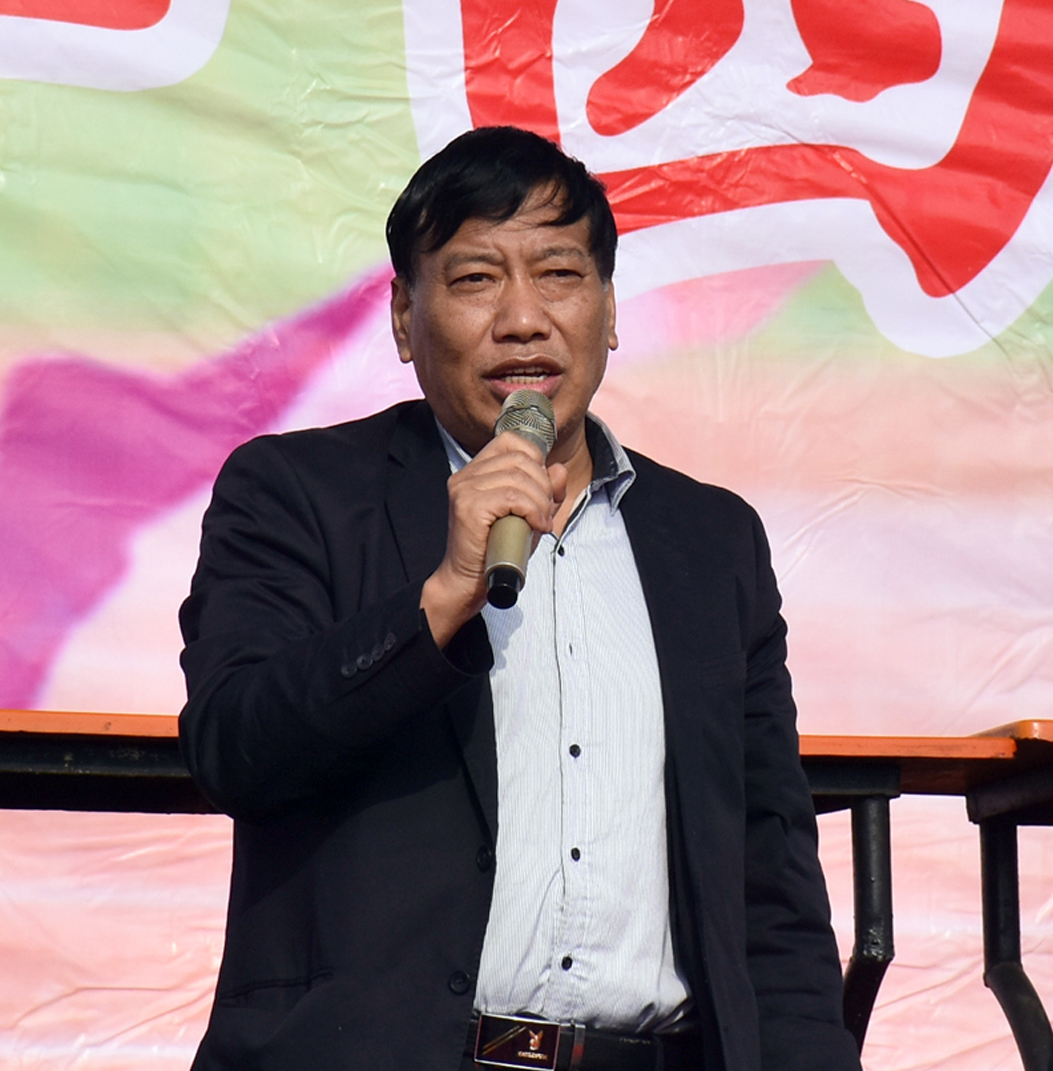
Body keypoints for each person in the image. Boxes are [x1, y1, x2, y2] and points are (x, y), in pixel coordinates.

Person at [178, 125, 861, 1071]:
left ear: (609, 309)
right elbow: (235, 747)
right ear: (405, 317)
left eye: (559, 274)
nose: (524, 319)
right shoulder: (297, 493)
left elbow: (768, 870)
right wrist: (440, 601)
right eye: (475, 279)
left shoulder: (711, 543)